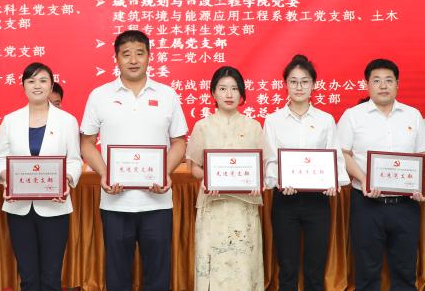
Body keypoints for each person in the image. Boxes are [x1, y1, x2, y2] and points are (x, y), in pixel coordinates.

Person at [80, 30, 187, 291]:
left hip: (157, 201)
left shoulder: (167, 95)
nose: (133, 60)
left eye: (140, 53)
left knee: (158, 276)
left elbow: (179, 142)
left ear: (149, 56)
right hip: (115, 202)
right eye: (126, 54)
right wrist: (105, 173)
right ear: (116, 58)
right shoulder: (100, 95)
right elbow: (86, 143)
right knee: (117, 277)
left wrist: (164, 173)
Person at [337, 58, 425, 291]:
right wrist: (363, 179)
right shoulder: (353, 116)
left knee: (405, 271)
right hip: (367, 204)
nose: (383, 86)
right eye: (376, 80)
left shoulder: (412, 115)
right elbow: (343, 153)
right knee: (367, 271)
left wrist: (419, 182)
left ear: (397, 84)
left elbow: (424, 153)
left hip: (406, 204)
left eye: (389, 80)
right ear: (366, 85)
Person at [262, 55, 349, 291]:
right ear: (285, 84)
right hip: (285, 201)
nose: (299, 87)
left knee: (315, 269)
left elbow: (335, 157)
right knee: (287, 268)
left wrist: (333, 182)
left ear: (313, 85)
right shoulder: (273, 120)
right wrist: (280, 182)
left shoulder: (325, 120)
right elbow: (270, 161)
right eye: (293, 81)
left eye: (304, 81)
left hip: (317, 202)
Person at [0, 62, 82, 291]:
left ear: (51, 86)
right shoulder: (10, 120)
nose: (37, 86)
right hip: (19, 208)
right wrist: (7, 178)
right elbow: (0, 158)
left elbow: (74, 160)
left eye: (43, 81)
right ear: (23, 86)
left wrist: (66, 180)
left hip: (55, 207)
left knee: (51, 276)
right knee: (28, 276)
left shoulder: (67, 120)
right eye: (31, 81)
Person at [186, 66, 266, 291]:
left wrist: (258, 182)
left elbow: (261, 166)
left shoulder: (253, 127)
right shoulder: (203, 126)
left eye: (234, 88)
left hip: (244, 207)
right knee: (214, 264)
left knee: (243, 265)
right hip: (213, 206)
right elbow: (194, 167)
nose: (229, 94)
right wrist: (206, 178)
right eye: (222, 89)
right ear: (213, 92)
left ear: (242, 93)